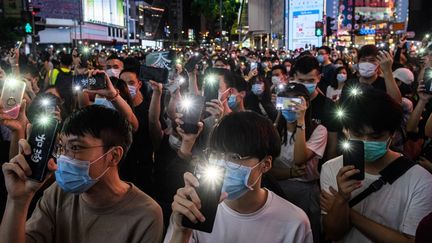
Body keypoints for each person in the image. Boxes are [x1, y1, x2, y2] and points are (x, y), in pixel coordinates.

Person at [0, 105, 163, 242]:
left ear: (113, 156)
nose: (64, 157)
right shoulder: (57, 193)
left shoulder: (146, 214)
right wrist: (18, 201)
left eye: (76, 147)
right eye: (61, 148)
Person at [164, 111, 312, 243]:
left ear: (265, 164)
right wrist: (180, 232)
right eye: (216, 154)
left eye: (234, 157)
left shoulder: (294, 223)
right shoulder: (195, 209)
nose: (222, 163)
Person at [320, 86, 432, 243]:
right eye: (358, 134)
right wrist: (342, 198)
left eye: (376, 136)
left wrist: (350, 213)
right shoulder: (332, 168)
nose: (366, 142)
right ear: (346, 131)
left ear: (392, 134)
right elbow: (333, 233)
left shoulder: (421, 181)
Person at [271, 83, 327, 243]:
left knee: (305, 233)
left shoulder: (318, 130)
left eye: (295, 101)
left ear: (306, 104)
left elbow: (300, 159)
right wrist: (289, 173)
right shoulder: (274, 129)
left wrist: (301, 121)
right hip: (276, 187)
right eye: (285, 102)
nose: (290, 106)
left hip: (305, 191)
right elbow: (266, 167)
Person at [292, 55, 340, 160]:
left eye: (310, 81)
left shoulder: (329, 106)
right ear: (295, 77)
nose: (305, 85)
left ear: (318, 78)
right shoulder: (289, 101)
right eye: (301, 80)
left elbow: (332, 146)